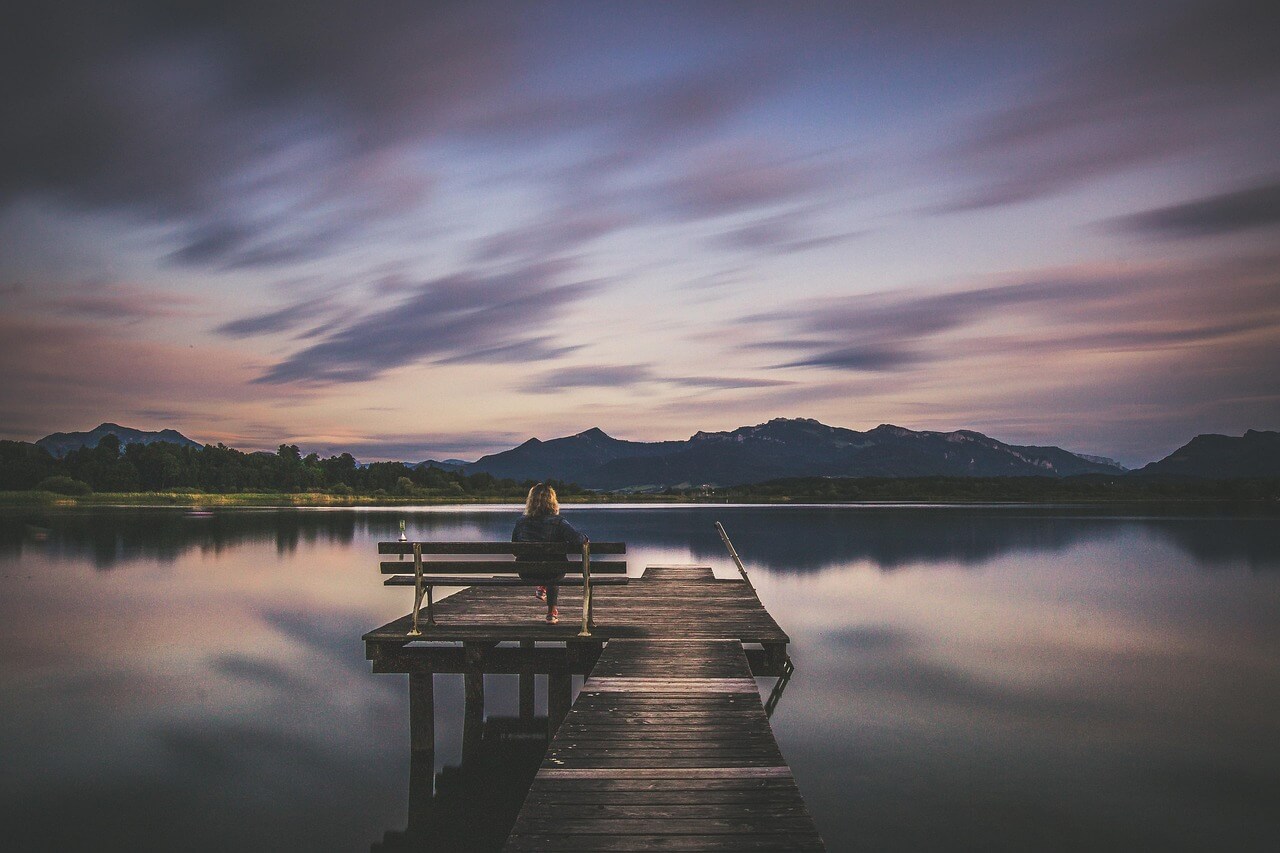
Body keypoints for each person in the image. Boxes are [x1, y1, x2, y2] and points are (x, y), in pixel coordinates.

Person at [512, 483, 587, 624]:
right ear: (552, 501)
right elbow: (577, 540)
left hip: (526, 572)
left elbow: (515, 550)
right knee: (553, 566)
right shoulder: (559, 522)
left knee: (549, 565)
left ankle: (542, 587)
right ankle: (551, 613)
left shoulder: (520, 522)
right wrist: (584, 537)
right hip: (553, 572)